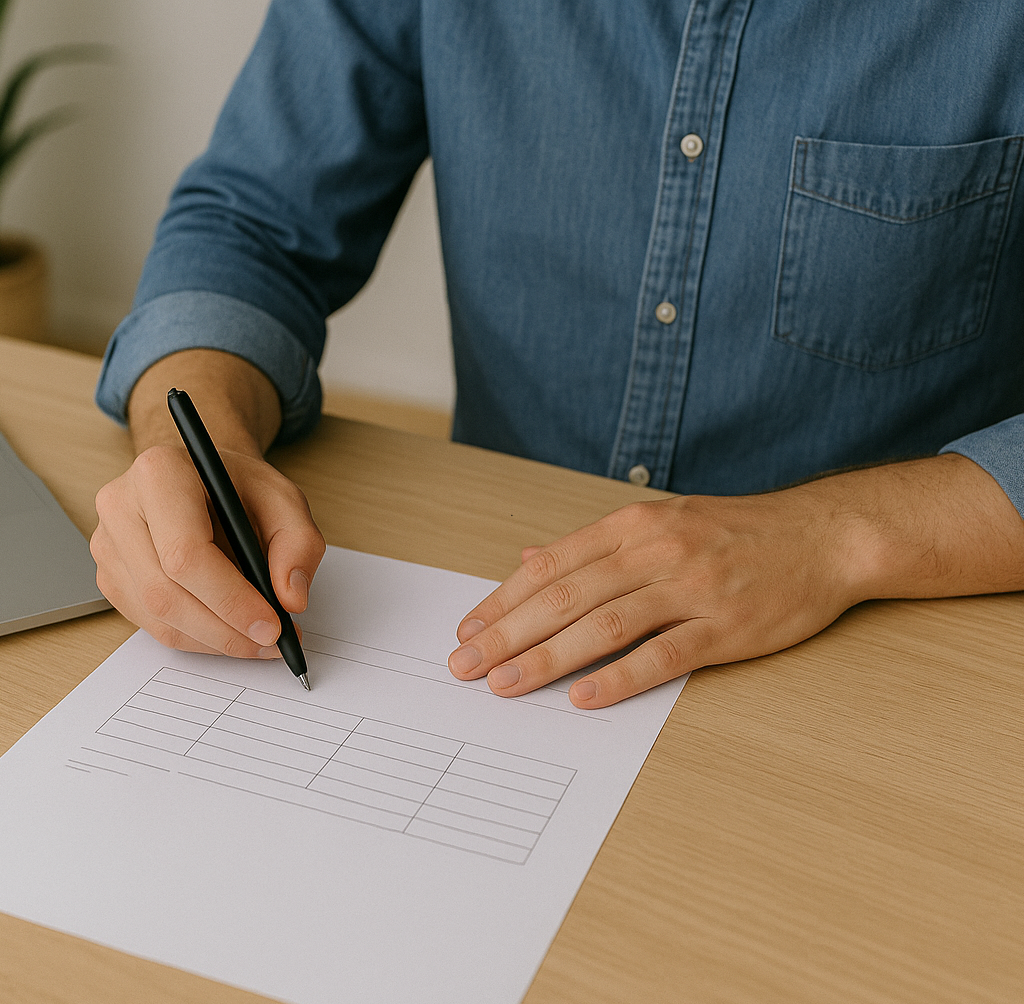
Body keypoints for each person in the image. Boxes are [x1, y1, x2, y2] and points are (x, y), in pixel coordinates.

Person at [91, 1, 1024, 709]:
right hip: (490, 596)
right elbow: (253, 220)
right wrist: (196, 436)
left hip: (886, 652)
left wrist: (835, 538)